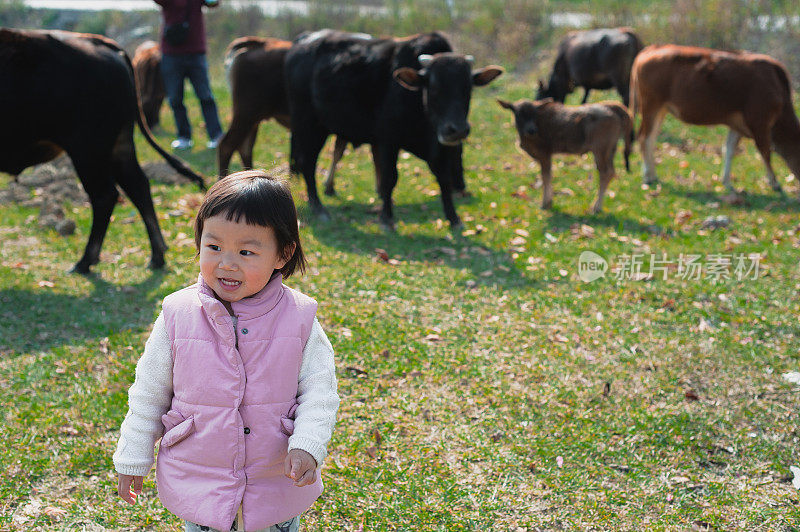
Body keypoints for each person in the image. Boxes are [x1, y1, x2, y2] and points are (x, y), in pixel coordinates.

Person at [113, 170, 340, 532]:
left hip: (274, 482)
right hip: (201, 481)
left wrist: (308, 444)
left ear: (283, 254)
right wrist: (133, 457)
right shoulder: (177, 314)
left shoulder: (299, 318)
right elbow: (148, 393)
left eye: (246, 251)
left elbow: (320, 391)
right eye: (214, 246)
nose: (227, 263)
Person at [155, 0, 224, 150]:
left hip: (196, 52)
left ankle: (216, 136)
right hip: (171, 54)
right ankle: (184, 137)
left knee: (206, 96)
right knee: (175, 99)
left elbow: (214, 3)